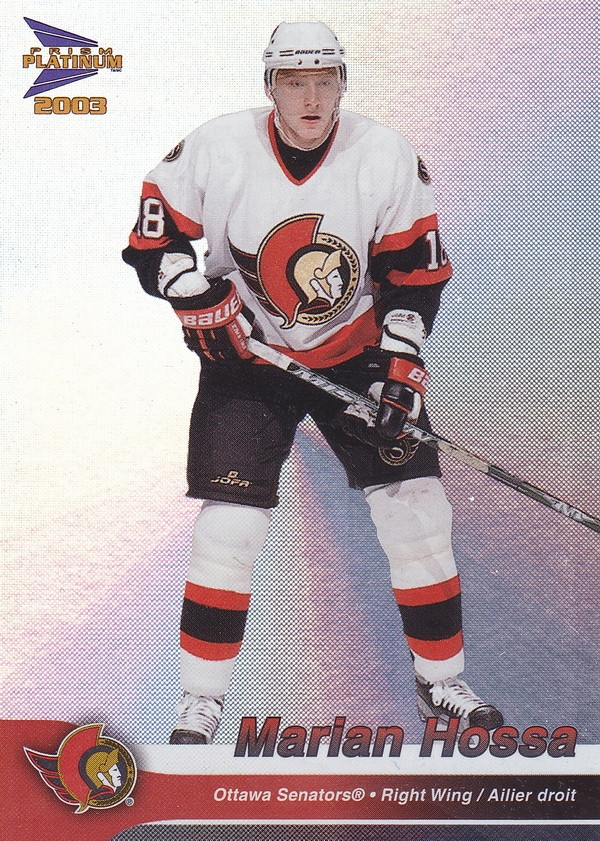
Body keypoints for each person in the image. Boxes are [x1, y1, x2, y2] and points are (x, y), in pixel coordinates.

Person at [123, 21, 503, 744]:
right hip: (250, 356)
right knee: (230, 525)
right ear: (270, 86)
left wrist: (401, 366)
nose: (310, 98)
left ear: (343, 84)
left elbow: (414, 274)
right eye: (294, 82)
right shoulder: (218, 146)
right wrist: (191, 291)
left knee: (418, 509)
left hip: (355, 350)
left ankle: (440, 680)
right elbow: (153, 235)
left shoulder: (385, 155)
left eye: (324, 81)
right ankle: (200, 701)